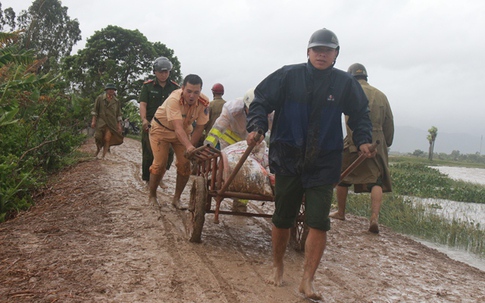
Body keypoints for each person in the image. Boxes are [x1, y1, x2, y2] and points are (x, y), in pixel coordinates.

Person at [246, 28, 375, 300]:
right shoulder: (287, 76)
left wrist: (363, 139)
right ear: (308, 51)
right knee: (283, 217)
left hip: (324, 160)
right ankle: (278, 265)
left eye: (327, 50)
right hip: (288, 156)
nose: (322, 54)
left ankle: (308, 280)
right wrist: (257, 126)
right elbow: (260, 101)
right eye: (317, 49)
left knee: (318, 221)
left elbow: (360, 114)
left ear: (336, 55)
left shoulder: (344, 84)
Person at [329, 63, 394, 234]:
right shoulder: (381, 95)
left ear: (351, 76)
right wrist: (386, 142)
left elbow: (352, 120)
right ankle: (374, 217)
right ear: (366, 76)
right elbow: (389, 122)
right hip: (377, 141)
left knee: (342, 177)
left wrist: (356, 143)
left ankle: (341, 212)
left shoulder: (351, 91)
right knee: (376, 181)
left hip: (354, 138)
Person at [148, 74, 209, 209]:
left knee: (185, 165)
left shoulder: (204, 102)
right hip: (161, 130)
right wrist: (188, 146)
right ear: (182, 88)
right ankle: (152, 195)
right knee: (160, 164)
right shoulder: (174, 99)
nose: (192, 96)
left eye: (196, 92)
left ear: (200, 91)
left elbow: (199, 128)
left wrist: (191, 148)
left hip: (183, 133)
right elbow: (177, 127)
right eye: (189, 91)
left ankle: (177, 198)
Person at [139, 57, 179, 185]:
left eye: (166, 72)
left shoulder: (174, 88)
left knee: (168, 155)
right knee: (149, 153)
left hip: (168, 125)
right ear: (155, 72)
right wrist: (144, 119)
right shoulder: (148, 86)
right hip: (151, 124)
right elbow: (143, 104)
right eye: (161, 72)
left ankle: (159, 177)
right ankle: (147, 179)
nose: (164, 74)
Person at [91, 83, 123, 159]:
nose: (111, 91)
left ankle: (103, 156)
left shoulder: (116, 101)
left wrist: (119, 125)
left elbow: (118, 114)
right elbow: (95, 110)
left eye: (112, 89)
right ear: (106, 90)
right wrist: (93, 121)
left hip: (111, 123)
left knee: (107, 139)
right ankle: (98, 149)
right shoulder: (100, 98)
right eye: (109, 89)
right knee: (98, 137)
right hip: (101, 122)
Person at [200, 83, 226, 147]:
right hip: (224, 138)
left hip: (211, 138)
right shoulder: (227, 105)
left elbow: (205, 122)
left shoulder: (210, 105)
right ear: (222, 92)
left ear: (213, 92)